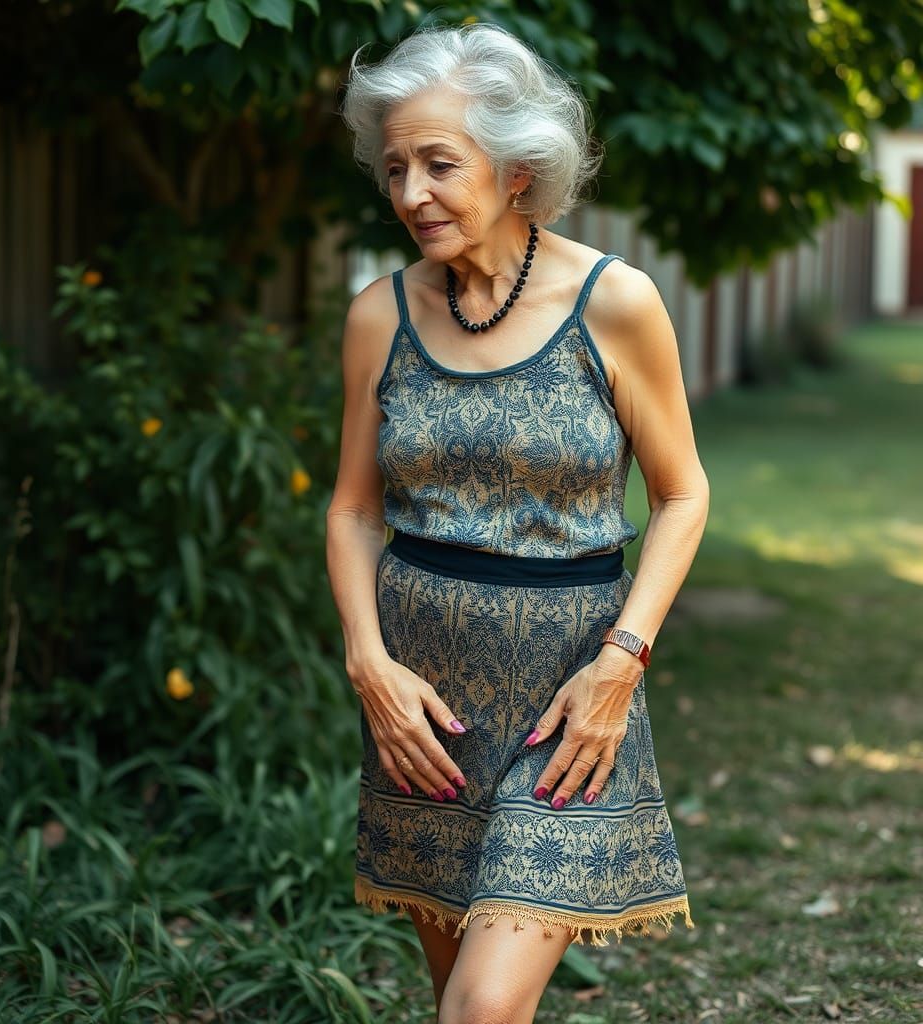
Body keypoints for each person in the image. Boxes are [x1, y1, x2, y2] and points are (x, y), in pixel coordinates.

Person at [325, 21, 710, 1024]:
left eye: (439, 163)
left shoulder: (615, 302)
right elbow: (354, 508)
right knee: (457, 998)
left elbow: (681, 495)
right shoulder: (378, 316)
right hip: (423, 714)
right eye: (396, 167)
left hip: (572, 704)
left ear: (516, 170)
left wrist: (622, 662)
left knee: (484, 1005)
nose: (411, 193)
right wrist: (369, 665)